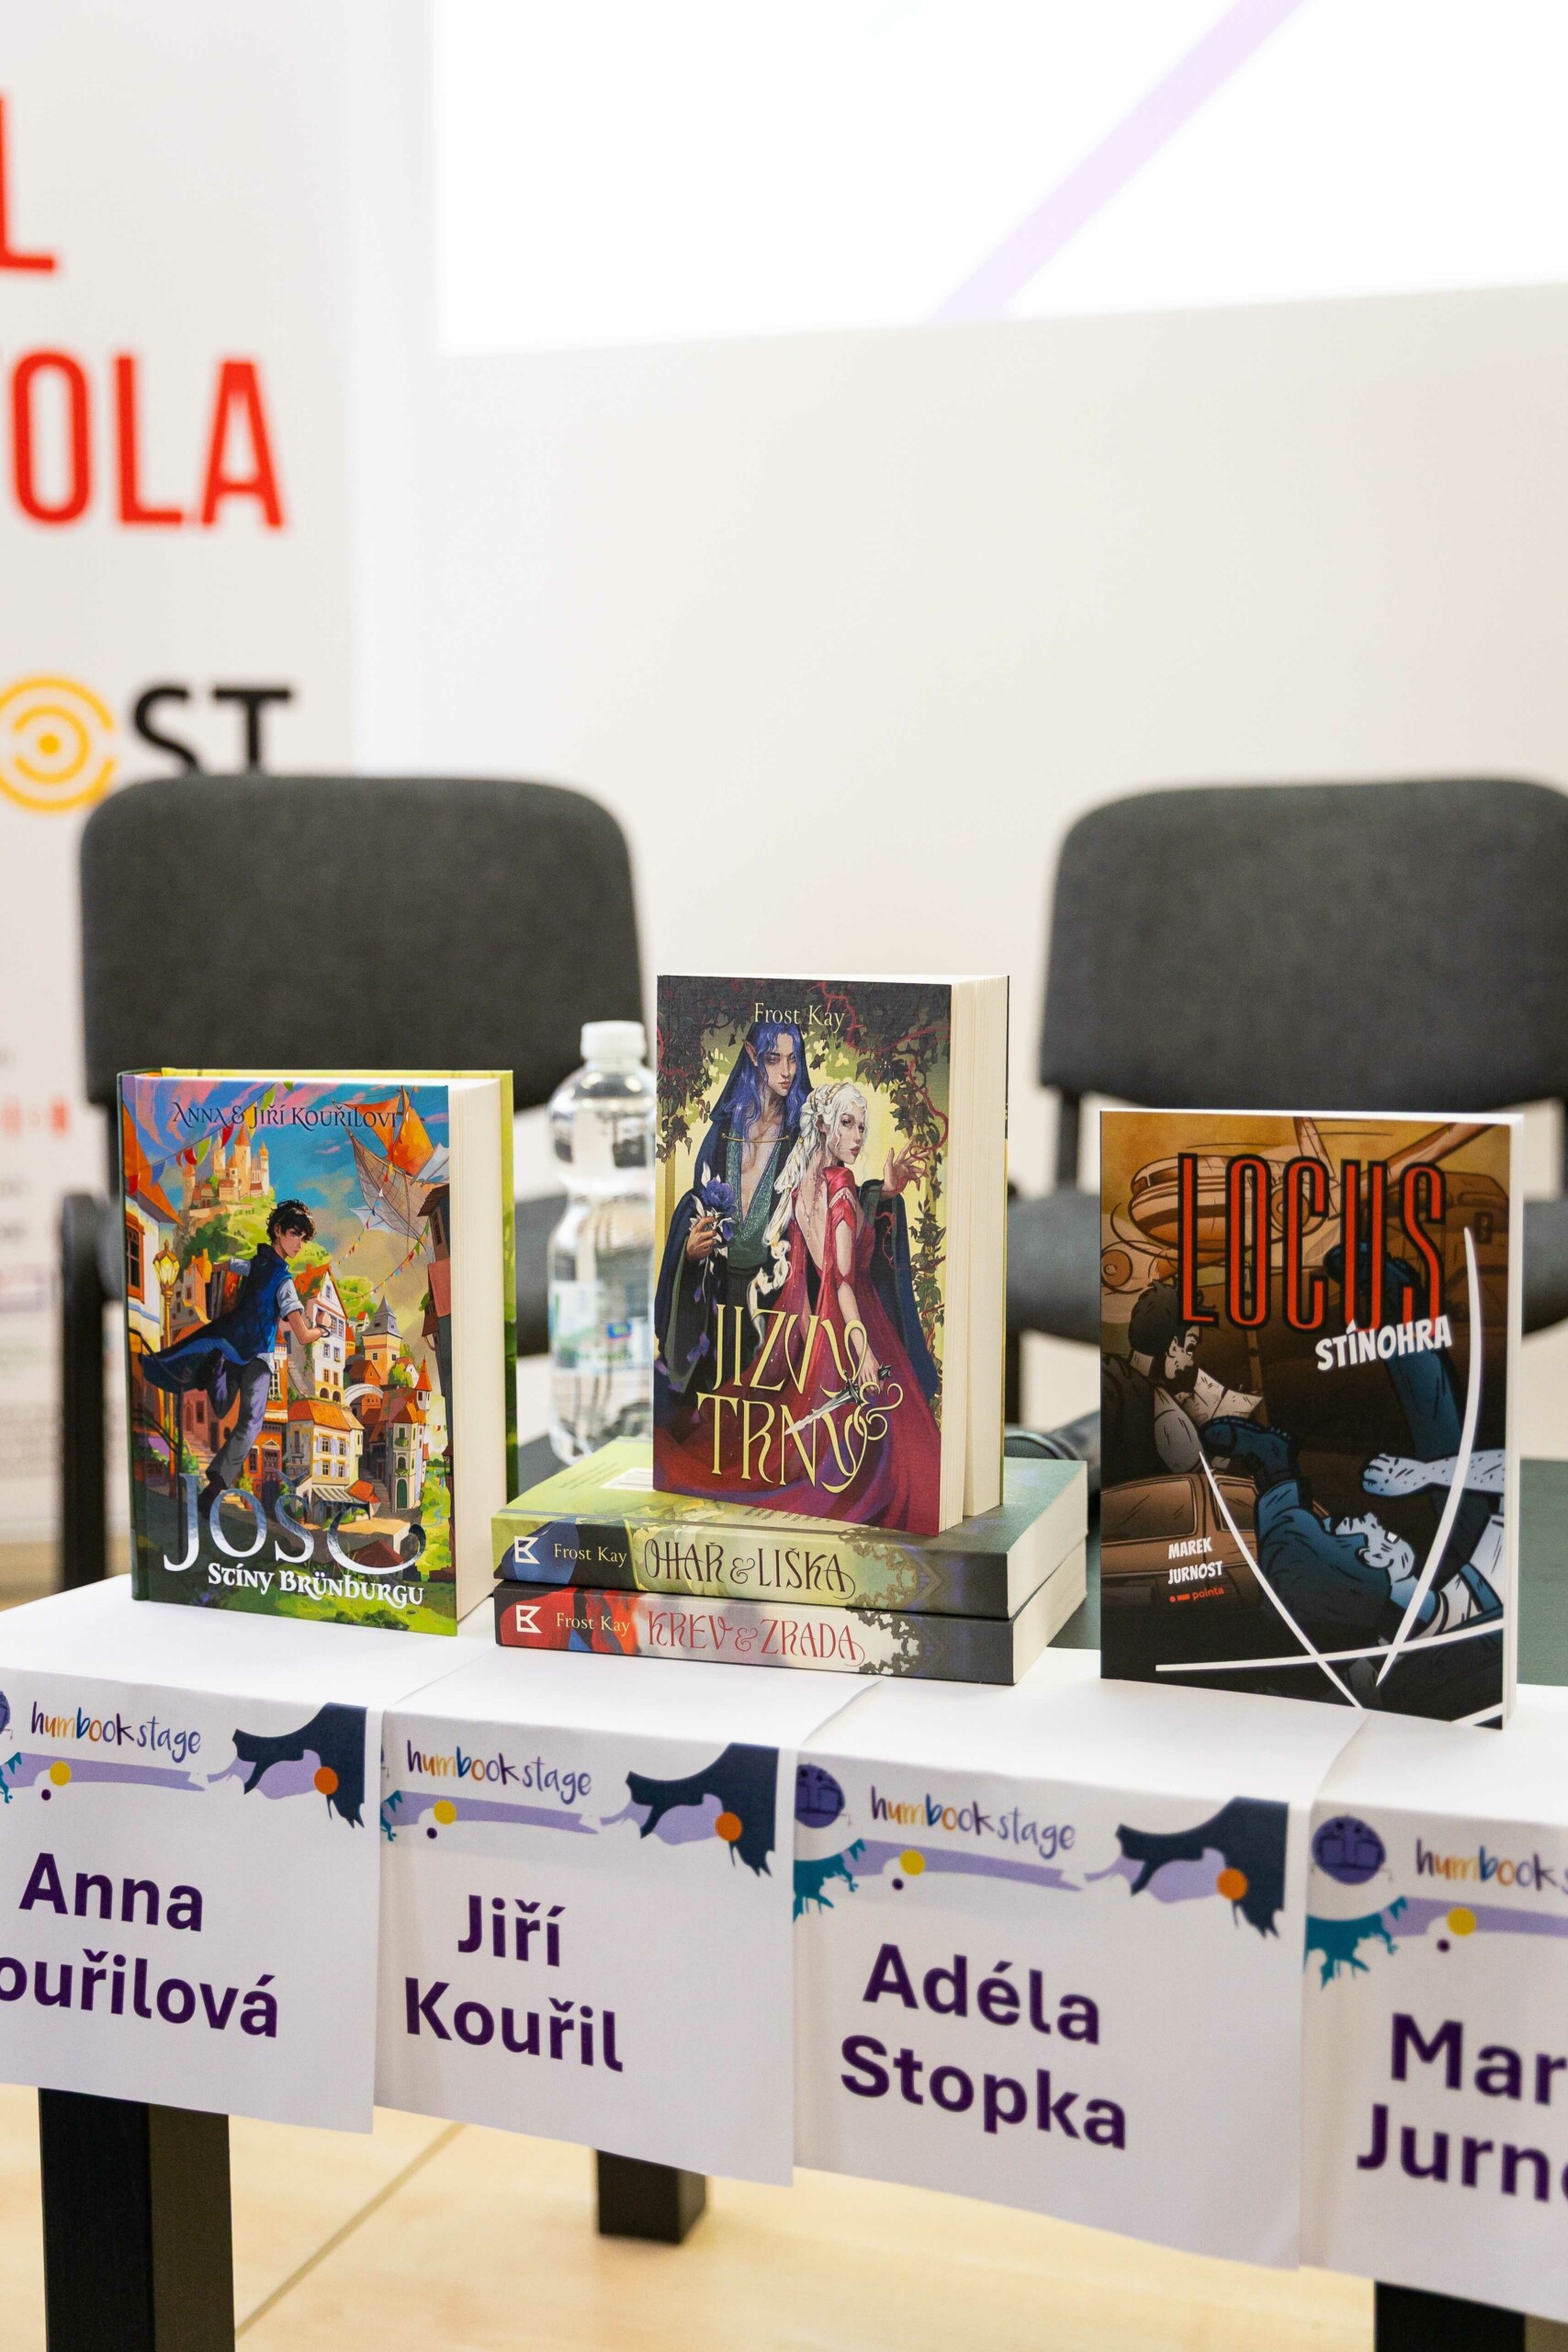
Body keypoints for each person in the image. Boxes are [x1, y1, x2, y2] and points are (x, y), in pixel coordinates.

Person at [664, 1080, 941, 1525]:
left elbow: (812, 1270)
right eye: (847, 1124)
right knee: (898, 1462)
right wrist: (862, 1349)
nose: (857, 1137)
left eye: (862, 1127)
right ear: (825, 1125)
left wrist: (884, 1194)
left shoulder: (798, 1185)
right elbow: (843, 1281)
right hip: (857, 1321)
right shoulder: (842, 1185)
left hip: (818, 1324)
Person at [140, 1199, 332, 1514]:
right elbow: (302, 1334)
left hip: (229, 1343)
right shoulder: (285, 1282)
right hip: (258, 1356)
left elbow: (228, 1265)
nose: (299, 1244)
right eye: (294, 1234)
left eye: (303, 1238)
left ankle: (215, 1373)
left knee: (221, 1405)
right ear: (278, 1230)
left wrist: (211, 1273)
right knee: (251, 1424)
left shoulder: (256, 1264)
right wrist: (322, 1329)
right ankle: (213, 1489)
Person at [655, 1016, 811, 1403]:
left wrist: (883, 1193)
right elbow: (698, 1206)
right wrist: (691, 1251)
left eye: (793, 1059)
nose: (787, 1071)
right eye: (774, 1058)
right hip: (718, 1298)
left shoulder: (803, 1135)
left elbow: (825, 1201)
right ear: (753, 1056)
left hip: (772, 1299)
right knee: (714, 1407)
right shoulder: (725, 1129)